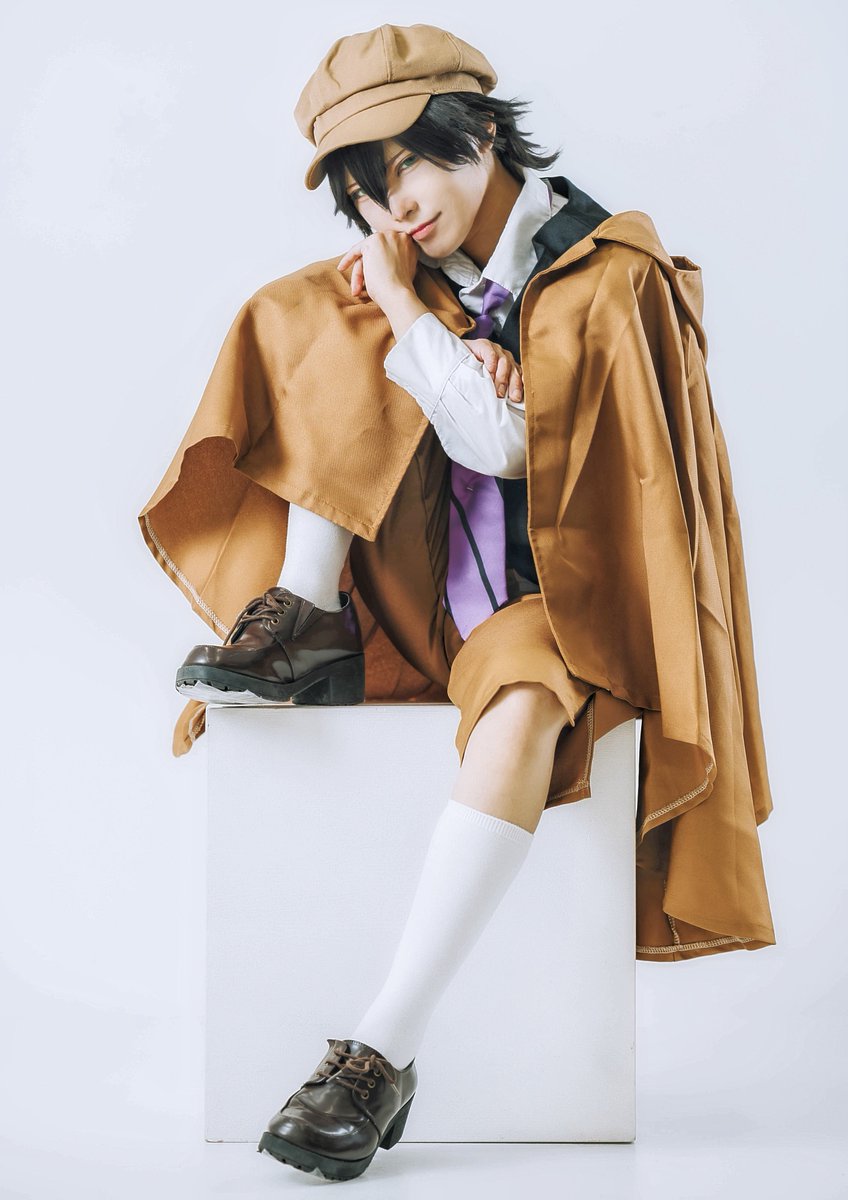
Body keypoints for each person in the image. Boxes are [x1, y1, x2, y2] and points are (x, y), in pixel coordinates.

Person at [138, 22, 777, 1184]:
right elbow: (443, 412)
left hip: (561, 611)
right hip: (413, 596)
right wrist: (417, 328)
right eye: (362, 188)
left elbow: (511, 450)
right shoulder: (404, 274)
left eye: (405, 164)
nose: (391, 207)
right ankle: (307, 613)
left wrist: (418, 327)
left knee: (526, 695)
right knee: (317, 310)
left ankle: (377, 1055)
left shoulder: (604, 271)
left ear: (478, 129)